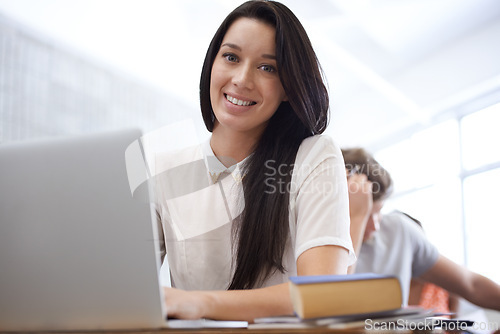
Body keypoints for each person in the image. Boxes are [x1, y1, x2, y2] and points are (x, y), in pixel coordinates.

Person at [151, 1, 355, 322]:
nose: (242, 79)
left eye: (267, 67)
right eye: (231, 57)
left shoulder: (314, 156)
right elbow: (125, 287)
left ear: (288, 87)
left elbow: (323, 292)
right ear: (212, 64)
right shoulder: (163, 172)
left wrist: (198, 304)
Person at [343, 147, 500, 312]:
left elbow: (471, 285)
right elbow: (333, 300)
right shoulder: (320, 241)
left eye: (378, 213)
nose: (375, 226)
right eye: (366, 214)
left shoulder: (398, 230)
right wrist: (357, 219)